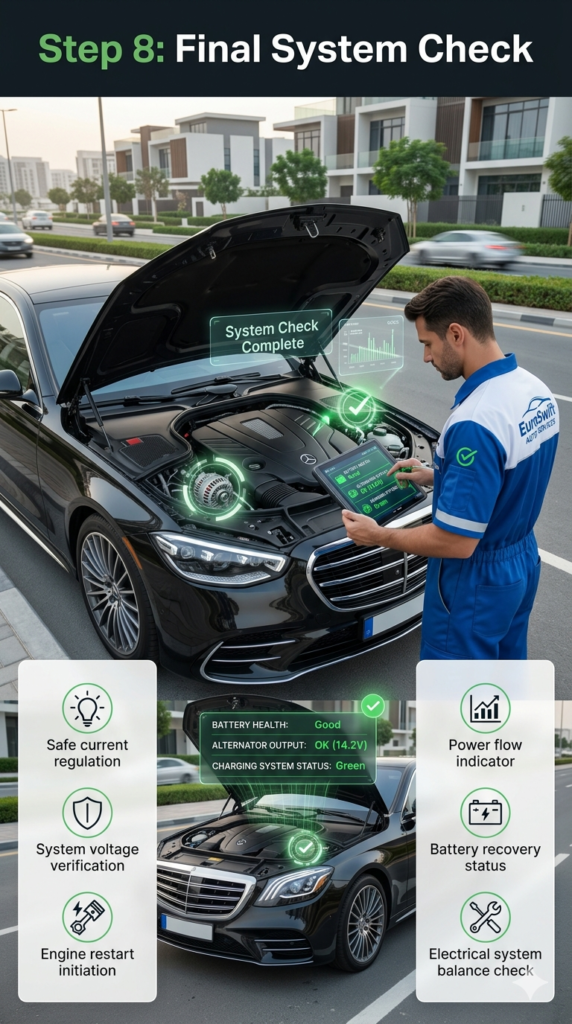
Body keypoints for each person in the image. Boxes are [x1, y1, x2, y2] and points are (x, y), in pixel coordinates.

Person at [342, 276, 559, 660]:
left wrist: (379, 536)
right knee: (505, 679)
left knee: (457, 692)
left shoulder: (476, 420)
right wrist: (436, 474)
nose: (426, 357)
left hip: (475, 582)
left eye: (428, 343)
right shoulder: (535, 391)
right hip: (521, 561)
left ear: (456, 334)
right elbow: (507, 477)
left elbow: (456, 541)